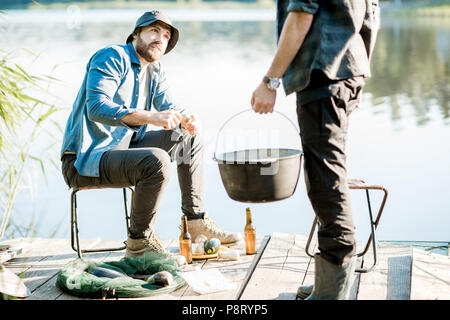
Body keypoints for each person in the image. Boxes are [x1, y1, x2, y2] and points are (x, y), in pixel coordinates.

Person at [60, 10, 242, 258]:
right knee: (156, 160)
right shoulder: (112, 57)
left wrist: (187, 118)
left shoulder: (155, 71)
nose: (161, 38)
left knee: (188, 138)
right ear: (136, 34)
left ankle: (196, 222)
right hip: (86, 160)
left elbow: (171, 106)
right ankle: (139, 244)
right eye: (154, 31)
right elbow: (96, 108)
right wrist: (150, 116)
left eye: (166, 35)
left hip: (125, 152)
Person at [251, 1, 379, 299]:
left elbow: (300, 16)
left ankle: (332, 288)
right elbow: (371, 17)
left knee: (325, 182)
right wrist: (358, 73)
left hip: (322, 76)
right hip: (345, 74)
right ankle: (331, 280)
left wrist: (270, 81)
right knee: (328, 174)